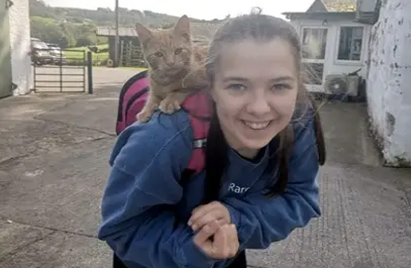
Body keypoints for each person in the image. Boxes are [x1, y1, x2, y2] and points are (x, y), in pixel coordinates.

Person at [98, 10, 326, 268]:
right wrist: (193, 251)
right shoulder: (159, 140)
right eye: (237, 86)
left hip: (227, 253)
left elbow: (300, 196)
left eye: (280, 86)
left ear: (297, 84)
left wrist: (236, 219)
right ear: (211, 85)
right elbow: (123, 228)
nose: (260, 108)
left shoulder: (298, 117)